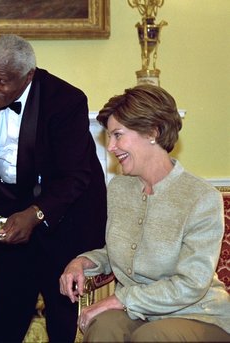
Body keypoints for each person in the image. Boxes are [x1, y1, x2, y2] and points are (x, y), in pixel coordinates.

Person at [0, 34, 107, 342]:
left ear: (28, 76)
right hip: (16, 219)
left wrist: (36, 214)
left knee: (63, 327)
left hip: (66, 220)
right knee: (2, 323)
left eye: (2, 81)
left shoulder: (65, 101)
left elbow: (76, 176)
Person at [59, 85, 230, 342]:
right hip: (138, 311)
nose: (111, 147)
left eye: (118, 135)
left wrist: (120, 299)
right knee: (102, 329)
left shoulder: (201, 197)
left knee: (151, 337)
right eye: (109, 137)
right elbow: (121, 251)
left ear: (153, 132)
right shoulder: (119, 188)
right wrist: (82, 262)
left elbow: (192, 284)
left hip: (198, 314)